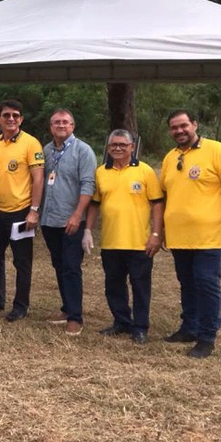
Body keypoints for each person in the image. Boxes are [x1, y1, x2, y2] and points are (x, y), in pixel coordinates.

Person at [160, 110, 221, 358]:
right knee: (187, 283)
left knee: (206, 283)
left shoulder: (216, 150)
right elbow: (166, 195)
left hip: (209, 236)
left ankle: (207, 337)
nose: (179, 131)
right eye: (174, 127)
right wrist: (162, 229)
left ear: (194, 125)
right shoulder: (170, 157)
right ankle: (189, 327)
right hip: (179, 237)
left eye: (184, 125)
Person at [83, 129, 164, 345]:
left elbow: (157, 204)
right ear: (108, 148)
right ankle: (121, 321)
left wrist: (156, 234)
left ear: (131, 147)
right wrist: (87, 230)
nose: (117, 149)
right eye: (113, 145)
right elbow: (95, 204)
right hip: (111, 242)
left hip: (139, 242)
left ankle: (140, 327)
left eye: (122, 145)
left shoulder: (145, 171)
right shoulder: (101, 172)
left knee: (140, 286)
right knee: (114, 285)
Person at [0, 100, 45, 322]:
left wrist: (34, 211)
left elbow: (38, 180)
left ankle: (21, 305)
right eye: (6, 115)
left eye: (15, 115)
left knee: (22, 262)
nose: (11, 119)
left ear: (21, 119)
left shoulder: (31, 143)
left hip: (21, 213)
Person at [40, 109, 96, 336]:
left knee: (72, 267)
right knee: (59, 265)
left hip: (72, 220)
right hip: (49, 219)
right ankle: (66, 308)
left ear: (72, 125)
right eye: (56, 122)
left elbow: (88, 185)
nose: (61, 125)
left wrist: (76, 215)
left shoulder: (83, 151)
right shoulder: (46, 150)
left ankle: (75, 317)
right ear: (51, 126)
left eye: (65, 122)